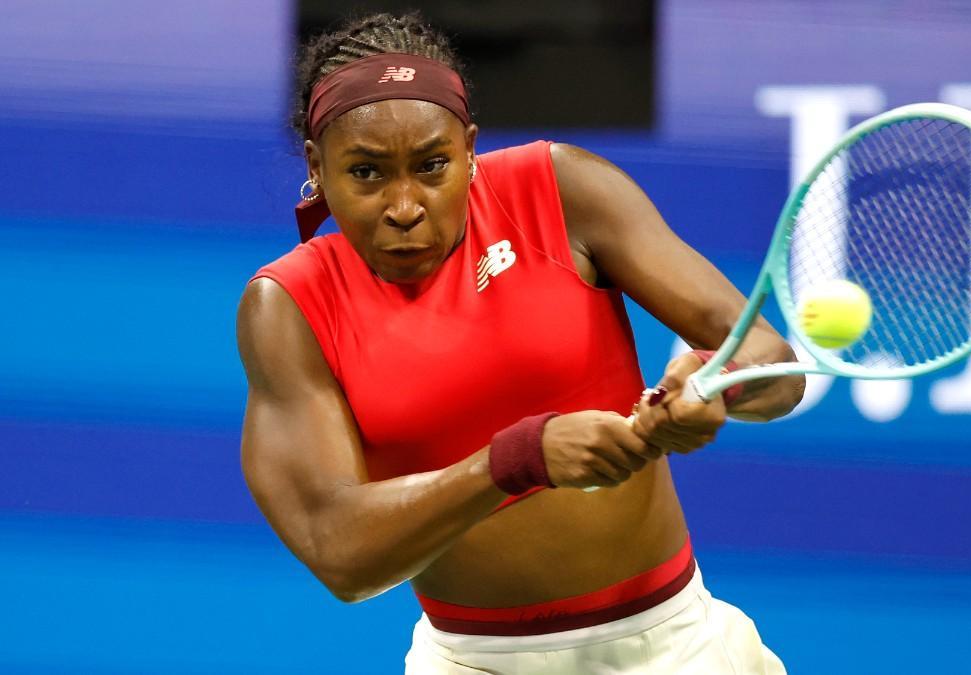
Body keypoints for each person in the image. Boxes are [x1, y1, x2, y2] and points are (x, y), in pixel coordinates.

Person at [236, 12, 805, 674]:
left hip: (675, 647)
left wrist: (710, 378)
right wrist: (515, 459)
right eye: (366, 173)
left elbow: (777, 368)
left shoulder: (561, 190)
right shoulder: (289, 305)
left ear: (470, 149)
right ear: (318, 166)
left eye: (432, 165)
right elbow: (340, 552)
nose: (404, 206)